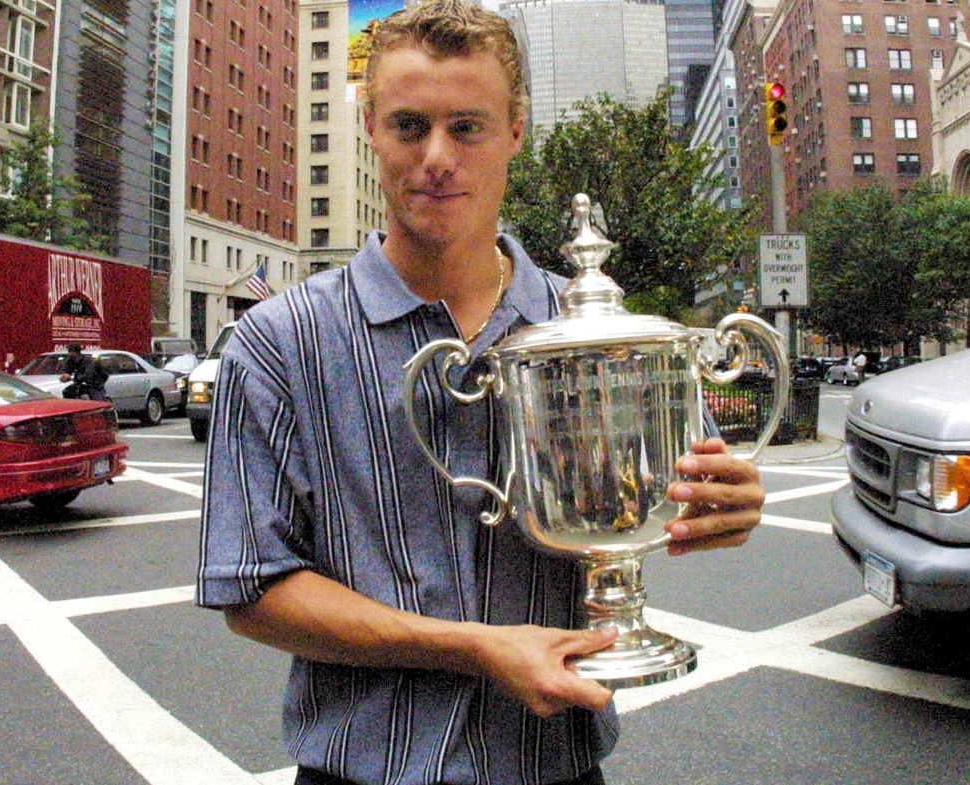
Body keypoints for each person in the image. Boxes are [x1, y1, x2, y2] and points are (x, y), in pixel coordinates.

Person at [195, 3, 767, 783]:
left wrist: (721, 503)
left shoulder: (596, 326)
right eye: (408, 126)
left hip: (555, 765)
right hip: (359, 772)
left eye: (467, 127)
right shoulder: (279, 340)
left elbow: (678, 489)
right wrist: (472, 647)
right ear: (370, 126)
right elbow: (250, 588)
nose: (437, 156)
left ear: (516, 132)